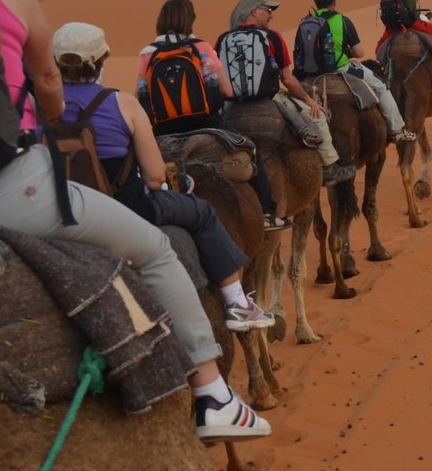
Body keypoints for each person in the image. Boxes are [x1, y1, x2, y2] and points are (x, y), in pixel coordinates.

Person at [0, 0, 270, 442]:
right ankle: (211, 392)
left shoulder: (150, 56)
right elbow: (47, 88)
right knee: (155, 252)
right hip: (19, 191)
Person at [50, 22, 276, 333]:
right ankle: (237, 303)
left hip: (62, 214)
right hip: (128, 210)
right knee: (202, 213)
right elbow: (156, 178)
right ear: (103, 59)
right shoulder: (122, 104)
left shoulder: (40, 110)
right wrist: (179, 185)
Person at [137, 0, 288, 231]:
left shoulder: (147, 53)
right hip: (206, 123)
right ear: (188, 20)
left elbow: (142, 94)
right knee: (251, 150)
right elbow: (226, 90)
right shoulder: (200, 47)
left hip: (162, 129)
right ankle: (267, 214)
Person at [219, 0, 354, 188]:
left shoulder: (224, 38)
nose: (271, 16)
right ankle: (330, 168)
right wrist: (310, 101)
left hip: (233, 103)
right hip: (268, 99)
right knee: (315, 116)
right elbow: (288, 79)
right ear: (254, 12)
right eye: (268, 10)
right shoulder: (272, 37)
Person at [298, 0, 415, 144]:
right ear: (334, 1)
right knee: (380, 86)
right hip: (340, 68)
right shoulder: (342, 20)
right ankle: (397, 131)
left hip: (308, 73)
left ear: (316, 2)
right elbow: (359, 53)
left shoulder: (305, 21)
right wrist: (346, 53)